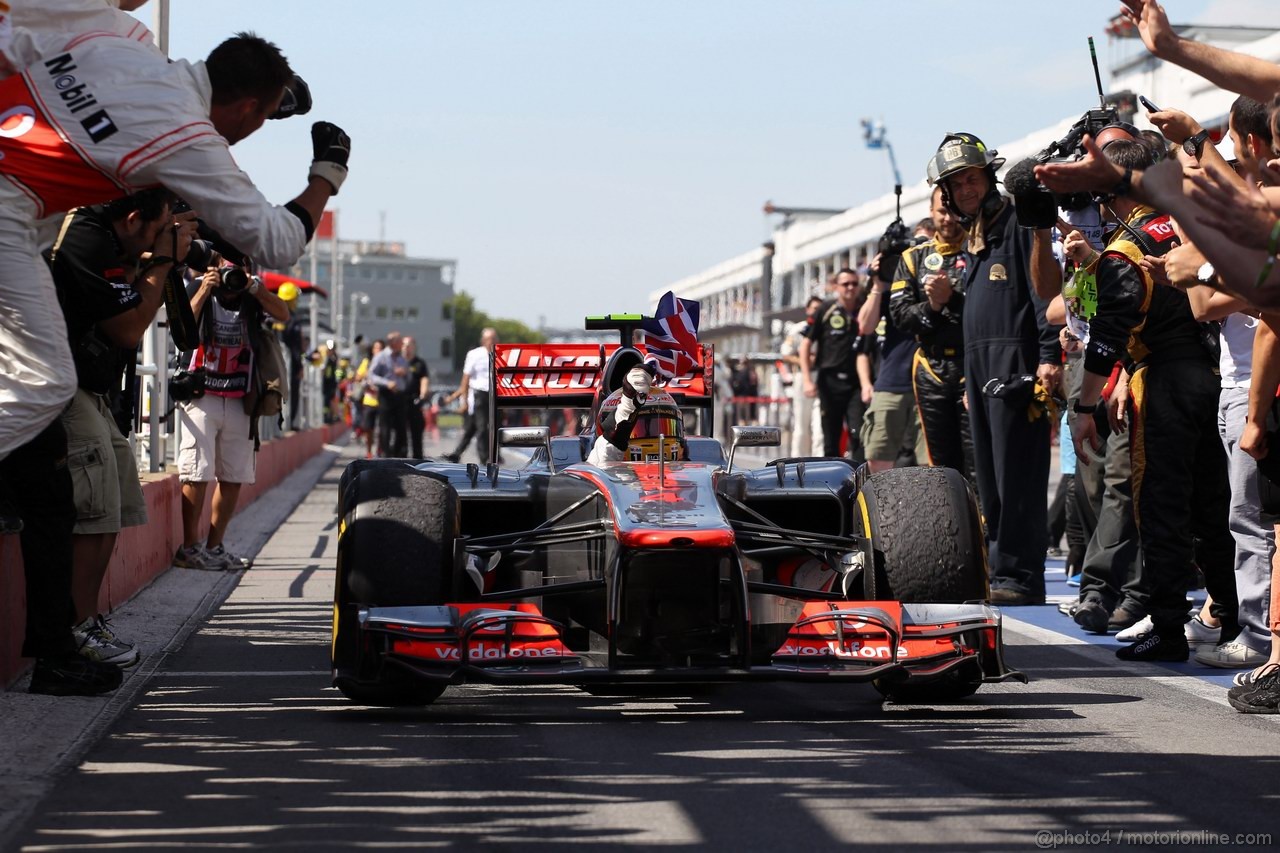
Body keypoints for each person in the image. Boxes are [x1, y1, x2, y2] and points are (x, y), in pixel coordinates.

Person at [0, 29, 350, 462]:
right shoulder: (189, 139)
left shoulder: (124, 43)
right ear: (249, 107)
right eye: (262, 119)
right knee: (44, 384)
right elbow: (280, 241)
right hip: (8, 217)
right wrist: (328, 172)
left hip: (21, 198)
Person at [1068, 140, 1236, 662]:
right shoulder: (1194, 229)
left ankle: (1167, 624)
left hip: (1161, 382)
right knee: (1215, 509)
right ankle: (1229, 614)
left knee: (1160, 507)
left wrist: (1084, 405)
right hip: (1214, 376)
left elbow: (1108, 331)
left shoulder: (1128, 248)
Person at [46, 188, 197, 668]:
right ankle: (73, 630)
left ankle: (84, 621)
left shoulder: (110, 242)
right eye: (158, 229)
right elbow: (129, 328)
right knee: (92, 507)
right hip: (55, 382)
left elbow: (127, 302)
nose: (161, 239)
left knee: (112, 499)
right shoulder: (84, 237)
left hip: (84, 385)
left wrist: (149, 262)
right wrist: (163, 265)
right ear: (133, 219)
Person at [930, 132, 1062, 605]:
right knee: (989, 478)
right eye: (956, 184)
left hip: (1017, 364)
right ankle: (999, 568)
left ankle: (1022, 576)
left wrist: (1048, 357)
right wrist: (968, 375)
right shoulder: (977, 235)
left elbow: (1045, 295)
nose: (966, 189)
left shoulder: (1019, 222)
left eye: (972, 179)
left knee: (1019, 476)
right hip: (981, 367)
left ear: (988, 177)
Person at [173, 264, 291, 571]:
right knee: (196, 472)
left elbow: (283, 314)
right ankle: (189, 548)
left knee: (233, 475)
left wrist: (255, 288)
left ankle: (214, 547)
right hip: (201, 394)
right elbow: (181, 323)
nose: (231, 274)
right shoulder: (200, 286)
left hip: (241, 397)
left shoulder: (251, 295)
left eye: (238, 268)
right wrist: (204, 287)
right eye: (225, 267)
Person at [889, 187, 974, 479]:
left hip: (972, 363)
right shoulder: (913, 258)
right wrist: (934, 306)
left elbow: (994, 314)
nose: (948, 218)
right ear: (931, 210)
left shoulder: (980, 250)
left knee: (976, 460)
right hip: (931, 367)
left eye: (953, 210)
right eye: (941, 211)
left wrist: (952, 298)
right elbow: (900, 316)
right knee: (941, 465)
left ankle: (984, 523)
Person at [859, 245, 926, 474]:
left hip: (928, 382)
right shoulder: (888, 295)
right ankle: (881, 508)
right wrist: (878, 285)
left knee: (930, 463)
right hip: (891, 383)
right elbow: (865, 326)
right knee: (878, 459)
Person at [798, 269, 874, 462]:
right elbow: (805, 344)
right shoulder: (826, 309)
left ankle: (859, 481)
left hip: (857, 383)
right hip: (829, 382)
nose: (850, 288)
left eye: (854, 284)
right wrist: (807, 379)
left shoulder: (865, 310)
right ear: (836, 287)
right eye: (846, 284)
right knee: (830, 438)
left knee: (858, 435)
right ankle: (832, 482)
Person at [587, 367, 685, 465]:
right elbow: (605, 453)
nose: (653, 441)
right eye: (639, 430)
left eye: (663, 429)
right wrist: (627, 408)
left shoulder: (694, 474)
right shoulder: (599, 470)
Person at [444, 328, 497, 465]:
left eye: (495, 338)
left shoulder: (500, 353)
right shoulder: (474, 355)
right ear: (483, 340)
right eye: (490, 339)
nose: (493, 341)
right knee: (482, 427)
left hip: (494, 394)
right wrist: (463, 401)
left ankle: (457, 453)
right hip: (479, 394)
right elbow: (465, 379)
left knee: (475, 428)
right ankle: (484, 459)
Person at [782, 296, 823, 458]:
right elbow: (785, 354)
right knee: (801, 426)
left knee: (820, 427)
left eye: (819, 308)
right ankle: (798, 460)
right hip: (801, 376)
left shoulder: (825, 328)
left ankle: (820, 461)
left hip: (821, 376)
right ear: (807, 310)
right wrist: (804, 360)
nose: (816, 311)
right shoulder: (798, 329)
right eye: (814, 308)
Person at [367, 331, 411, 458]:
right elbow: (372, 375)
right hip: (386, 395)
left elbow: (408, 376)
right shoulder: (381, 357)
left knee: (401, 427)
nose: (402, 344)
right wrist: (387, 383)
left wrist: (404, 373)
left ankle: (397, 454)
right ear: (393, 343)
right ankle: (385, 454)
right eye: (400, 342)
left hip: (400, 396)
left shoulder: (402, 358)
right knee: (385, 427)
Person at [404, 336, 430, 460]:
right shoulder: (398, 362)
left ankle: (418, 460)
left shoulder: (419, 363)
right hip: (400, 402)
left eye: (409, 345)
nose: (406, 348)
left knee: (416, 433)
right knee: (400, 435)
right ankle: (400, 459)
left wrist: (422, 394)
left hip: (414, 400)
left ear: (414, 347)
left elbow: (424, 379)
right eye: (404, 345)